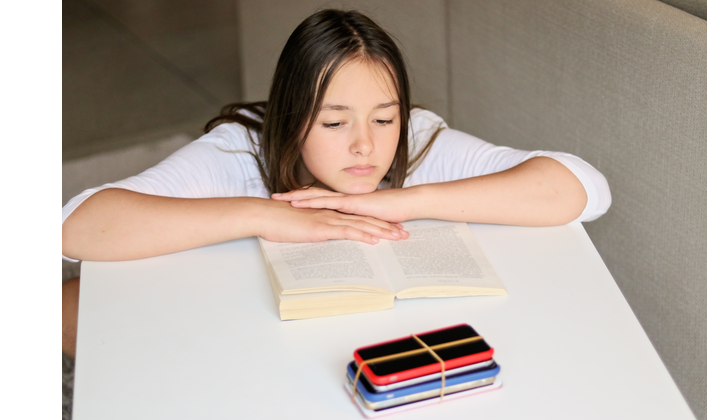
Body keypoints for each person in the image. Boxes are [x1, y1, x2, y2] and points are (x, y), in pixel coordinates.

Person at [61, 9, 611, 357]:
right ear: (292, 113)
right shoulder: (241, 146)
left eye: (383, 117)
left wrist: (402, 199)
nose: (365, 145)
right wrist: (265, 215)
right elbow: (76, 228)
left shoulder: (416, 138)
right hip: (235, 335)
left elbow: (582, 188)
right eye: (333, 121)